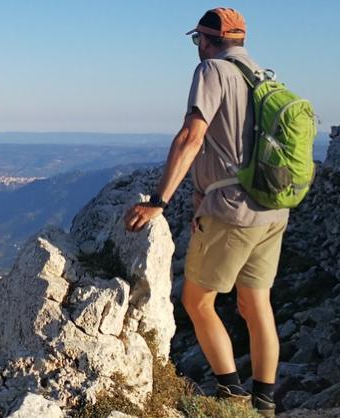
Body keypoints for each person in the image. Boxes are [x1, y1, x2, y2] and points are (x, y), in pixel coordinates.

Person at [121, 7, 287, 417]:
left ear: (207, 40)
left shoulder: (213, 71)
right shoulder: (264, 77)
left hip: (232, 210)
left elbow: (192, 136)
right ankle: (264, 403)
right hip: (273, 208)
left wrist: (159, 201)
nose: (198, 48)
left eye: (198, 41)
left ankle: (231, 396)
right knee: (255, 305)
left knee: (197, 301)